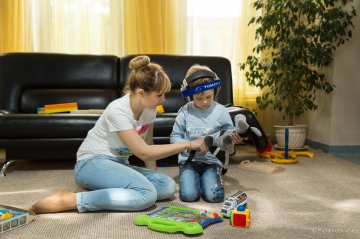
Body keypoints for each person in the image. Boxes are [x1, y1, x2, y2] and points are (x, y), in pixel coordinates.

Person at [30, 55, 209, 214]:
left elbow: (149, 144)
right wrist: (188, 144)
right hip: (91, 163)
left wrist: (151, 177)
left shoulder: (149, 108)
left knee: (167, 187)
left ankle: (110, 190)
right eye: (159, 95)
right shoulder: (117, 110)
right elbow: (143, 152)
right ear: (141, 93)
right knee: (146, 196)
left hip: (118, 164)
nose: (163, 99)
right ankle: (68, 199)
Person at [170, 64, 244, 203]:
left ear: (216, 90)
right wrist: (191, 145)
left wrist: (234, 139)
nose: (204, 102)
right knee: (189, 197)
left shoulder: (221, 110)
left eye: (209, 96)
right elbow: (174, 138)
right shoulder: (185, 111)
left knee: (214, 197)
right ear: (190, 95)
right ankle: (194, 178)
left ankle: (208, 178)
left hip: (211, 162)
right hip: (189, 161)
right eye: (198, 98)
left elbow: (228, 134)